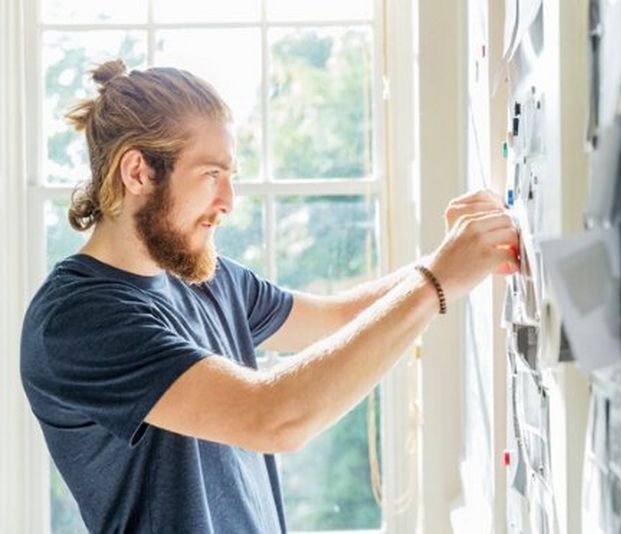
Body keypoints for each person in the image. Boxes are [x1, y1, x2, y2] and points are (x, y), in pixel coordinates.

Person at [19, 59, 519, 533]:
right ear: (138, 173)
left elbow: (338, 317)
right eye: (212, 174)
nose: (229, 202)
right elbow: (274, 417)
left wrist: (450, 257)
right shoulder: (77, 318)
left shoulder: (201, 277)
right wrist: (436, 282)